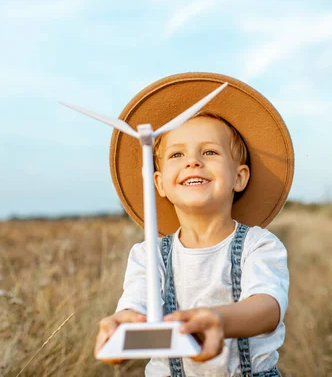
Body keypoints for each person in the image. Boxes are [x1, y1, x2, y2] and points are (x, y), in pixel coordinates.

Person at [95, 72, 294, 377]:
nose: (193, 162)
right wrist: (122, 323)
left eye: (210, 152)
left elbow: (267, 307)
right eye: (177, 154)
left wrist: (219, 321)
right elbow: (136, 306)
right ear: (158, 184)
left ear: (239, 177)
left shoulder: (259, 245)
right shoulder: (148, 256)